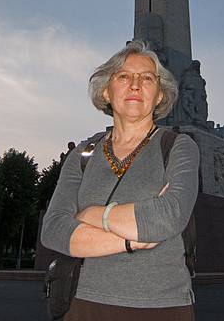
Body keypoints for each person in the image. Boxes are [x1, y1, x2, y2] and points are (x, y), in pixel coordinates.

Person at [42, 40, 200, 320]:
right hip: (83, 303)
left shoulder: (179, 147)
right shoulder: (83, 154)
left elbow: (169, 216)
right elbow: (53, 228)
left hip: (163, 306)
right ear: (106, 91)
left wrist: (91, 214)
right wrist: (129, 241)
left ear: (160, 96)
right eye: (124, 76)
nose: (135, 85)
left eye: (147, 78)